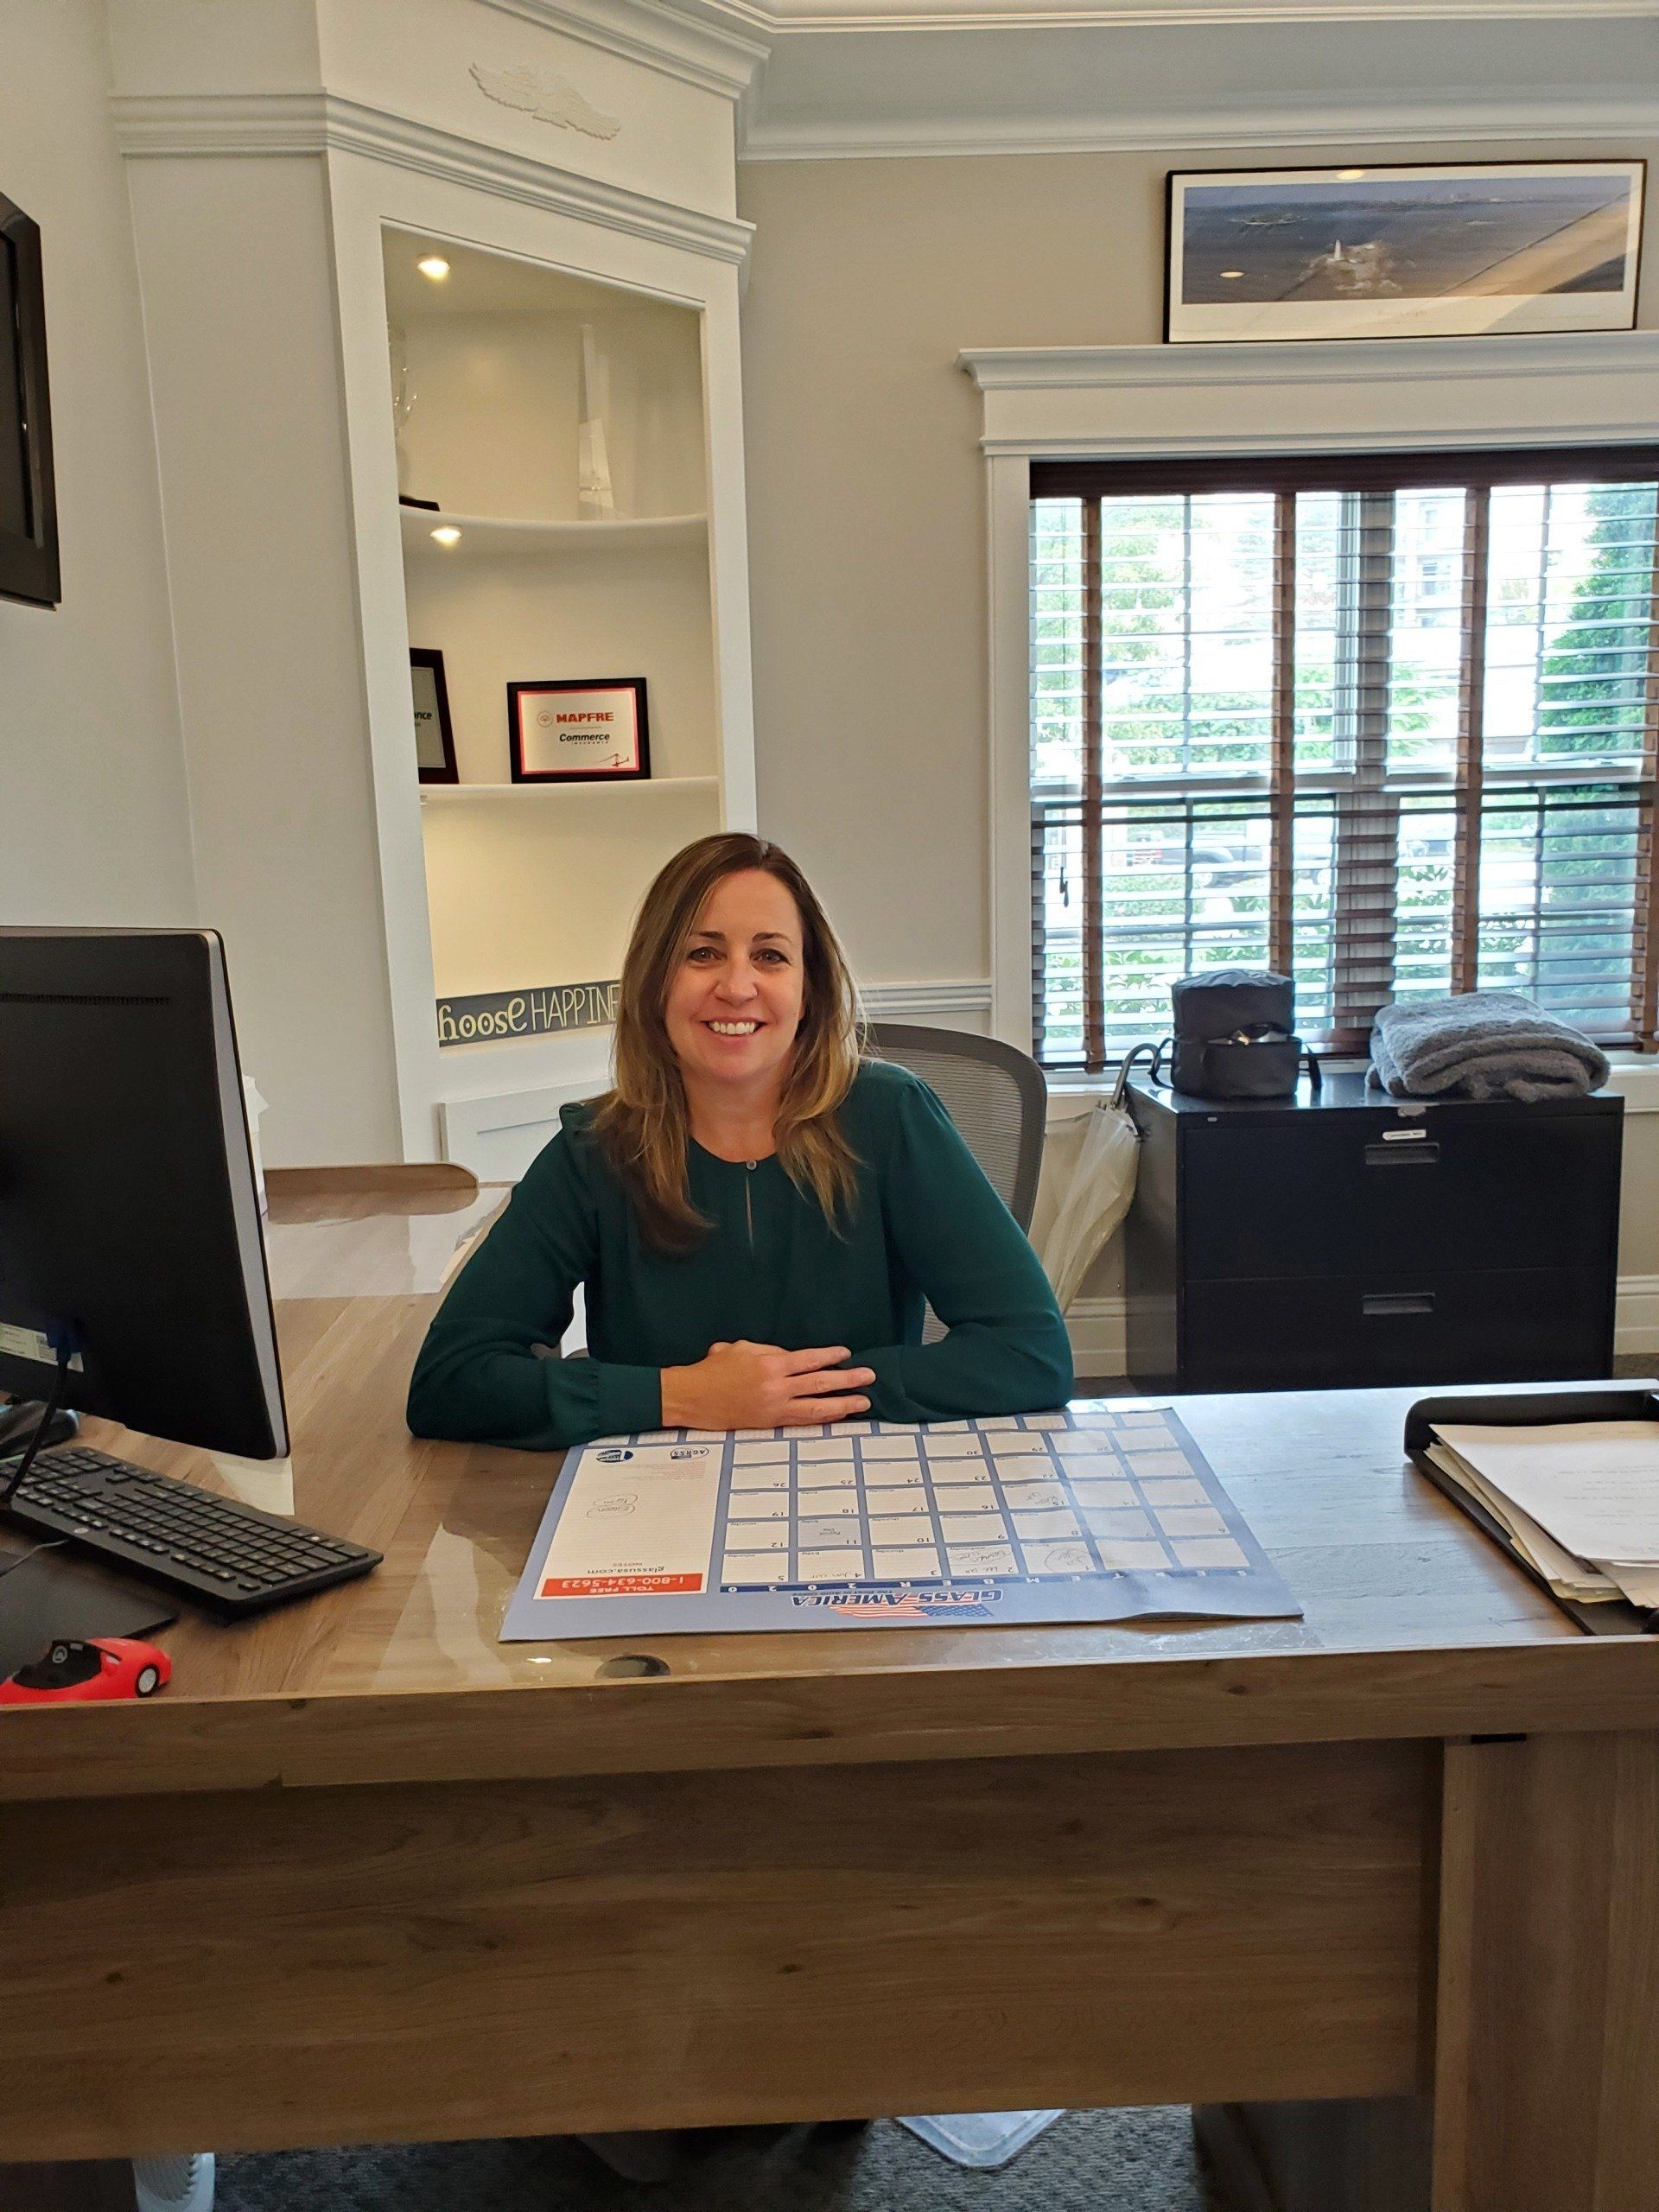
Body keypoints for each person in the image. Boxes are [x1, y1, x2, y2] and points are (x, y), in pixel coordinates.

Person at [407, 831, 1071, 1448]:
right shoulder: (595, 1151)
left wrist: (794, 1398)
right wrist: (678, 1396)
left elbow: (1031, 1354)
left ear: (808, 988)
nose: (736, 986)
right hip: (658, 1498)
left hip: (860, 1482)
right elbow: (448, 1381)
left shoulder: (892, 1116)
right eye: (702, 953)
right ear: (655, 980)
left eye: (770, 956)